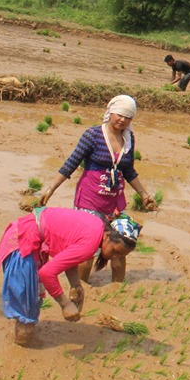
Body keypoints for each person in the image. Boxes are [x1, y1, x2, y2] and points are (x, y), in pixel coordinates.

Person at [37, 95, 157, 283]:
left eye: (128, 117)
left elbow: (128, 170)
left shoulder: (129, 138)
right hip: (90, 200)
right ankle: (81, 288)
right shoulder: (93, 135)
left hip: (114, 202)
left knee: (120, 246)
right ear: (110, 112)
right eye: (120, 115)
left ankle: (118, 287)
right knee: (89, 249)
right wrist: (50, 189)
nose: (123, 120)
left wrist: (144, 194)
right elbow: (71, 163)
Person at [0, 209, 141, 345]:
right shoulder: (90, 243)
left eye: (121, 256)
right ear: (107, 236)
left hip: (22, 233)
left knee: (31, 303)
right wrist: (65, 304)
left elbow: (68, 253)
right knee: (27, 311)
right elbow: (47, 273)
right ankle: (22, 353)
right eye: (115, 251)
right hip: (23, 242)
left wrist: (75, 284)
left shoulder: (97, 226)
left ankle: (22, 345)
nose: (114, 257)